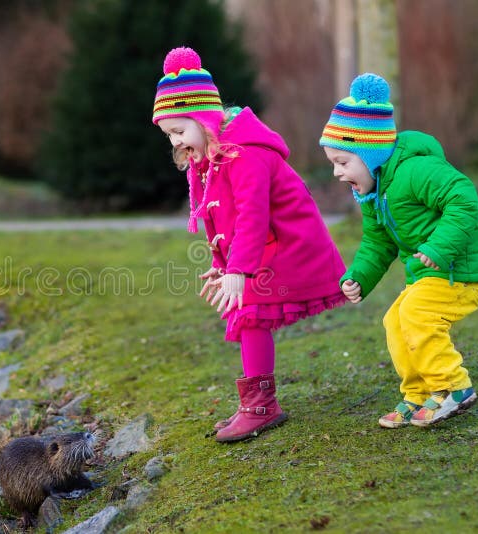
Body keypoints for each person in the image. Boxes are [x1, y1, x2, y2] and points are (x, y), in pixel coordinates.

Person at [152, 47, 347, 442]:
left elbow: (252, 216)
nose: (175, 142)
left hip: (290, 244)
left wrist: (240, 270)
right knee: (246, 313)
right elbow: (223, 217)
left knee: (251, 310)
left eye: (179, 131)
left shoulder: (245, 154)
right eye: (169, 134)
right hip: (263, 247)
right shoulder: (214, 155)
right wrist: (224, 265)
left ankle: (260, 406)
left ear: (205, 118)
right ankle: (256, 402)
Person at [320, 72, 478, 428]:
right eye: (333, 164)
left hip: (458, 269)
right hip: (429, 273)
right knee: (395, 320)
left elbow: (463, 198)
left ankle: (453, 387)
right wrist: (359, 277)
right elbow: (377, 242)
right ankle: (418, 393)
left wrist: (439, 247)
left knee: (416, 314)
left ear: (370, 154)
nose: (338, 173)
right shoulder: (373, 192)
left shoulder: (415, 169)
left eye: (342, 162)